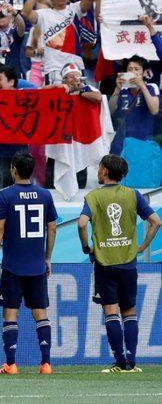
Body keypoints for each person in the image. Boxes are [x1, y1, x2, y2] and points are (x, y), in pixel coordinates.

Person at [77, 154, 162, 373]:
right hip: (128, 262)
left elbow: (82, 224)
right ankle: (132, 362)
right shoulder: (132, 195)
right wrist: (141, 248)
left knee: (111, 312)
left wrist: (87, 248)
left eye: (99, 167)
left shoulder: (94, 196)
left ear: (105, 171)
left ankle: (119, 361)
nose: (98, 171)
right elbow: (156, 222)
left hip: (105, 263)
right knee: (130, 311)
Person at [0, 152, 58, 376]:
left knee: (10, 313)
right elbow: (52, 228)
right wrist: (47, 258)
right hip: (36, 265)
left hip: (12, 265)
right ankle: (46, 364)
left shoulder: (5, 195)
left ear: (13, 169)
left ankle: (11, 364)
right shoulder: (45, 195)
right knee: (41, 313)